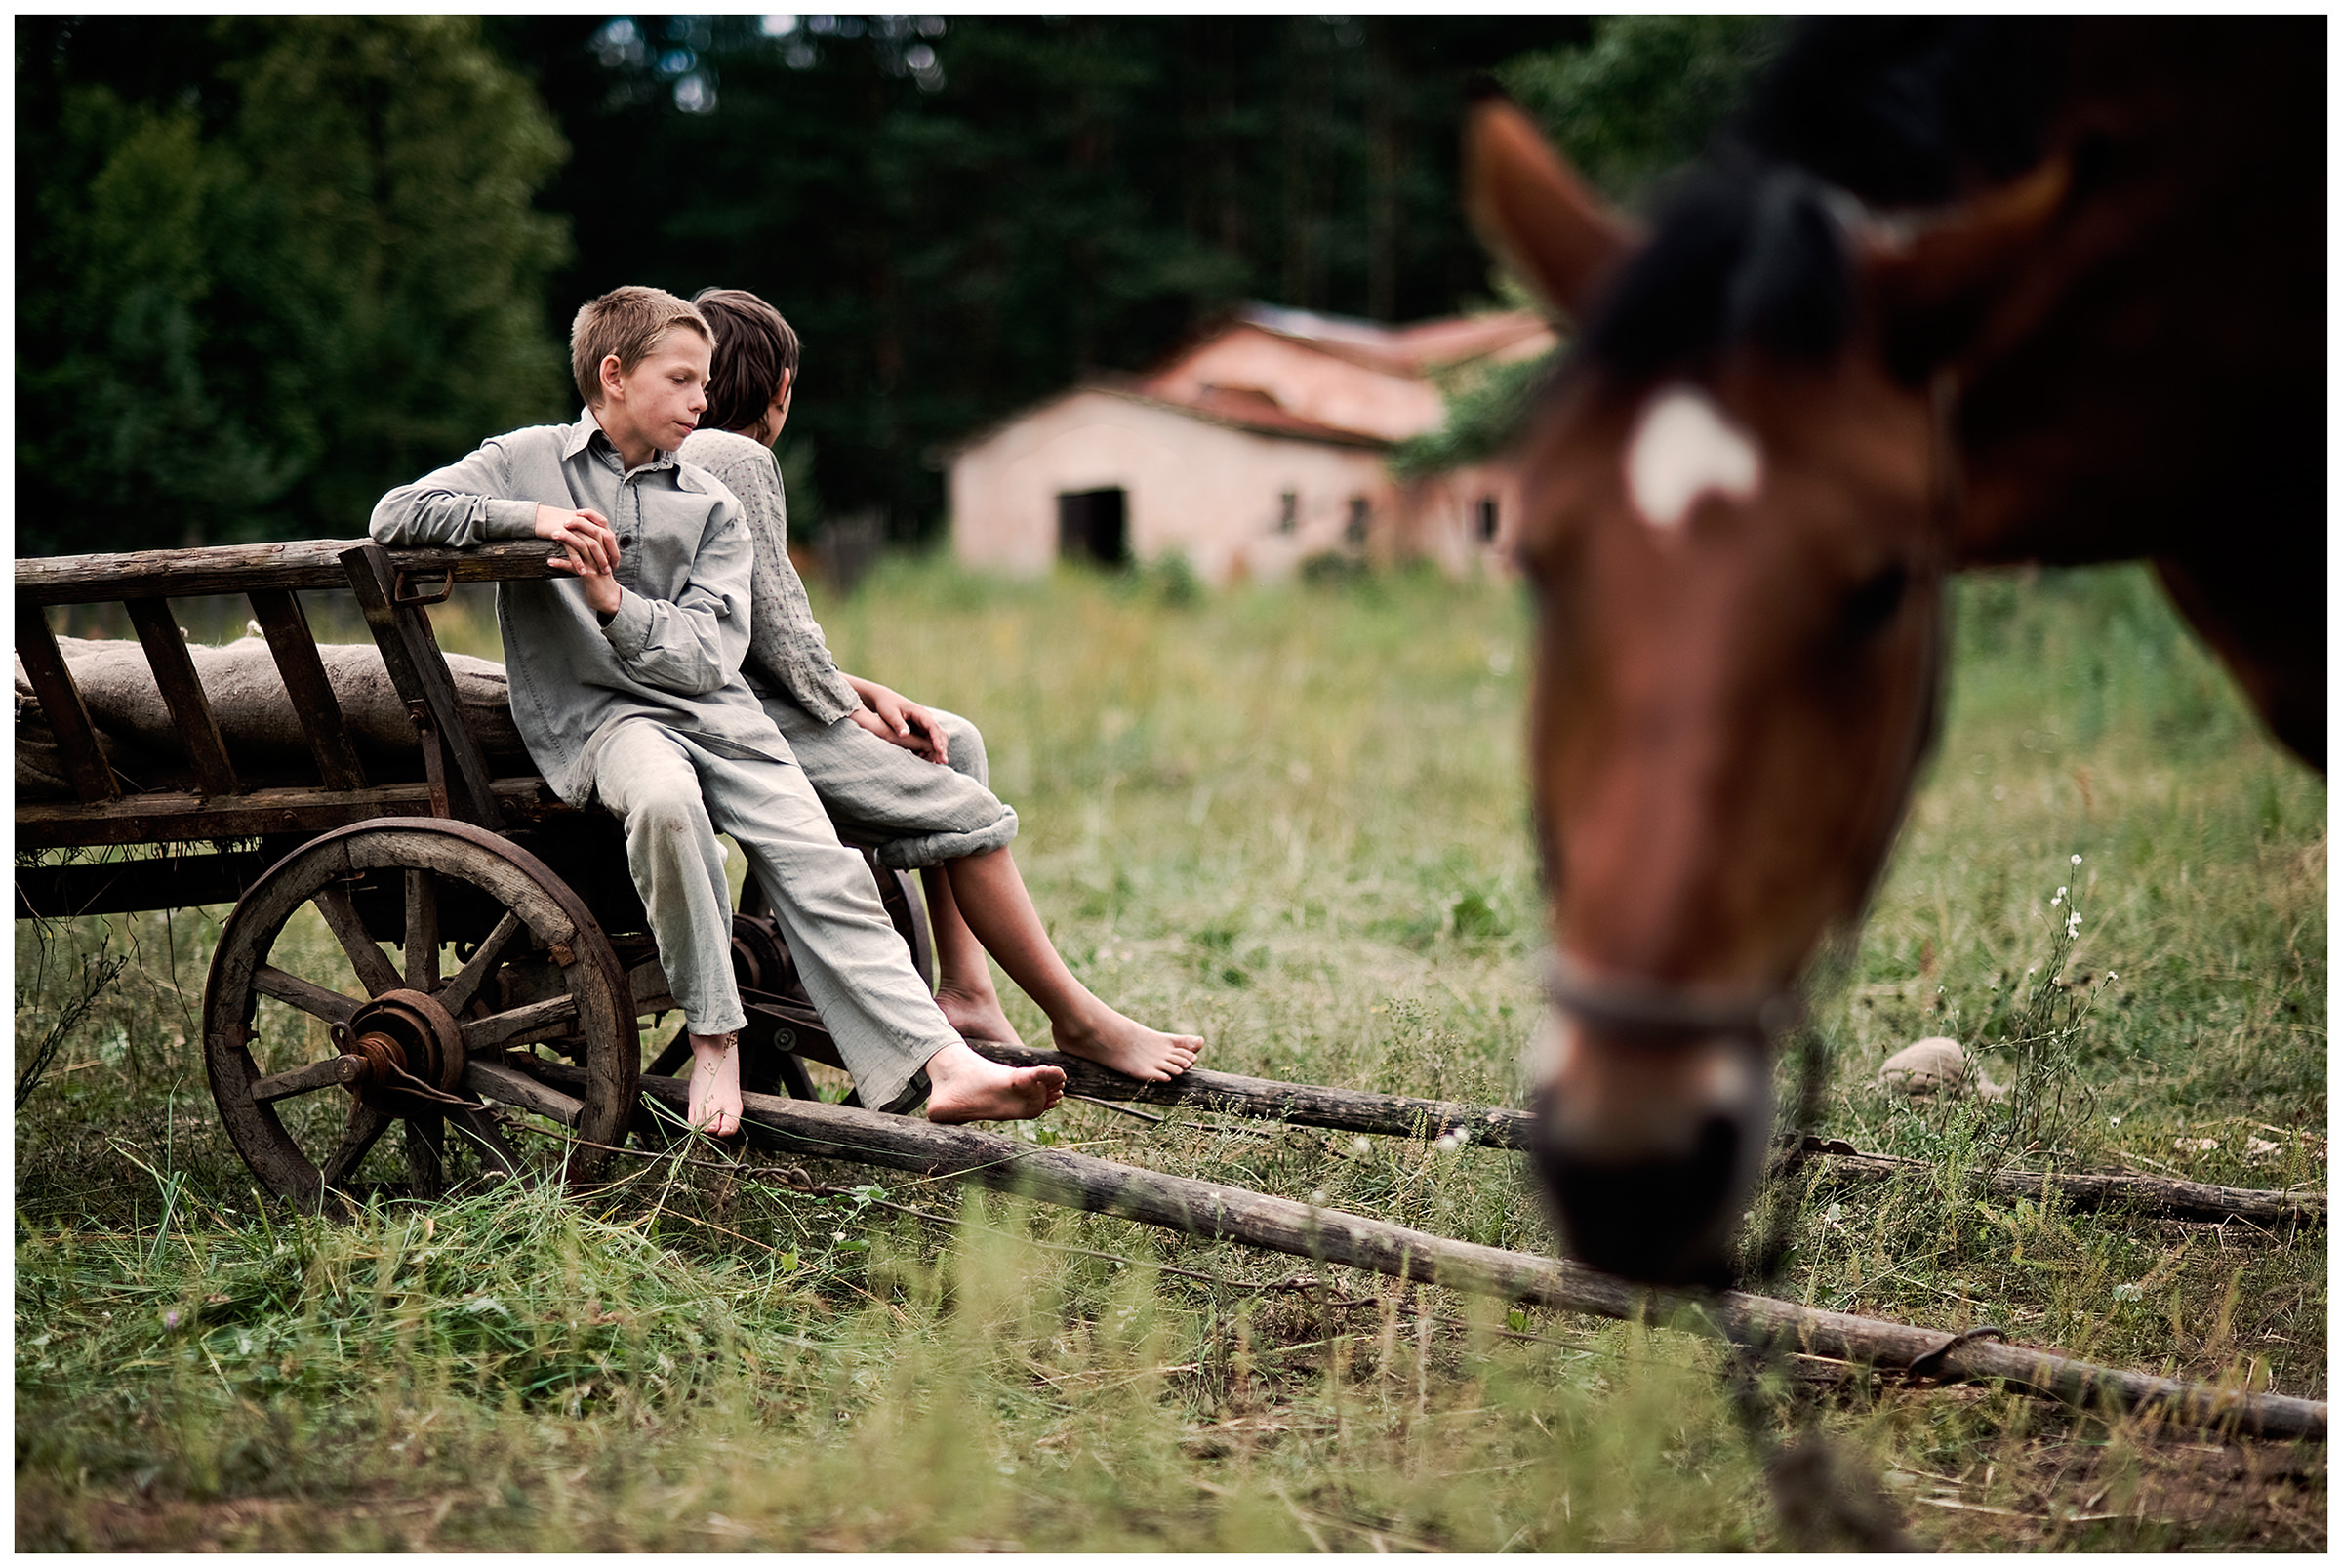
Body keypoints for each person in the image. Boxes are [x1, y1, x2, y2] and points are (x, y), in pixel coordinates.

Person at [370, 285, 1068, 1136]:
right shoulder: (526, 458)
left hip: (719, 710)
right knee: (665, 803)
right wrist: (537, 518)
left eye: (706, 382)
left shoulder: (712, 500)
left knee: (823, 861)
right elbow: (396, 515)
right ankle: (714, 1034)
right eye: (685, 380)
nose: (705, 401)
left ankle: (948, 1063)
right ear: (615, 375)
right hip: (605, 721)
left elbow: (708, 658)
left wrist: (613, 603)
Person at [678, 287, 1204, 1083]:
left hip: (739, 693)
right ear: (782, 387)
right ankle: (1079, 1016)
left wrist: (861, 693)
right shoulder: (739, 458)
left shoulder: (671, 458)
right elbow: (783, 631)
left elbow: (739, 627)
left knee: (953, 736)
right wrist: (849, 712)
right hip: (746, 724)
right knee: (961, 798)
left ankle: (966, 988)